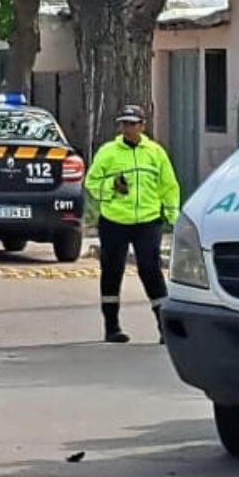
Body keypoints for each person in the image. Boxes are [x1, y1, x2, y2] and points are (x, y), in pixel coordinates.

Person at [83, 105, 181, 344]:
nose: (128, 128)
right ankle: (112, 327)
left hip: (147, 221)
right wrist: (111, 187)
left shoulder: (155, 153)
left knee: (150, 270)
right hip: (115, 220)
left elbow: (168, 185)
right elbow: (92, 183)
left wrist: (173, 216)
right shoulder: (108, 152)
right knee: (112, 271)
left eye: (132, 123)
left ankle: (163, 328)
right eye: (124, 124)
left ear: (142, 126)